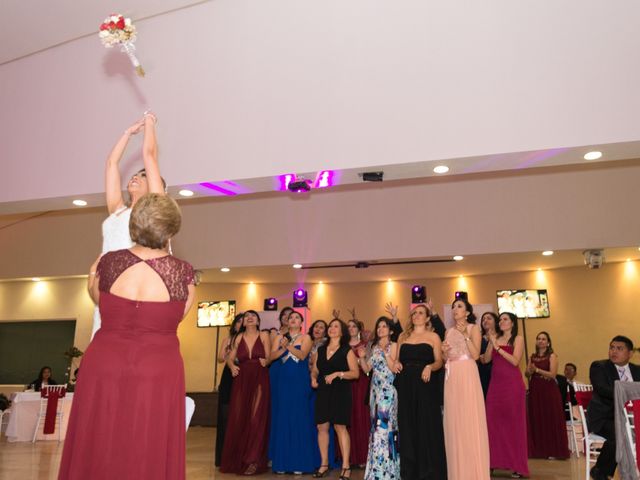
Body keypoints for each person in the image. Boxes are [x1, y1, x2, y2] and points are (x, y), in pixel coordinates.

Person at [59, 193, 196, 480]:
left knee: (98, 436)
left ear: (134, 224)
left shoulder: (108, 263)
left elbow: (100, 300)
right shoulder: (182, 272)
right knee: (149, 441)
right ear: (171, 228)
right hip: (157, 367)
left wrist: (89, 286)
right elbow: (178, 315)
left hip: (105, 361)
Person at [91, 112, 165, 339]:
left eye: (143, 176)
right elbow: (111, 163)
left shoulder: (154, 209)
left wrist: (150, 123)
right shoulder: (117, 209)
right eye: (134, 175)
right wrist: (128, 133)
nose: (135, 177)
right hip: (108, 283)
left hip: (137, 280)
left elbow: (149, 156)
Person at [395, 304, 447, 480]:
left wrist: (430, 367)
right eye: (414, 313)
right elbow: (396, 361)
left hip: (425, 384)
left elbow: (439, 361)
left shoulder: (433, 336)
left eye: (420, 313)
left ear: (427, 318)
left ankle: (429, 472)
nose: (416, 315)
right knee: (407, 426)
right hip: (405, 384)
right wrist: (396, 364)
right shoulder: (403, 336)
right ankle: (410, 472)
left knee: (426, 425)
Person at [442, 298, 489, 480]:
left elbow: (476, 354)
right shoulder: (448, 331)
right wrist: (444, 351)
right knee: (454, 422)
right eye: (453, 306)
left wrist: (465, 335)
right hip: (451, 375)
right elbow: (446, 356)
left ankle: (474, 472)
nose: (455, 309)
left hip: (467, 373)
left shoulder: (473, 328)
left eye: (459, 306)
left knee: (469, 419)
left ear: (467, 312)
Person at [220, 311, 271, 475]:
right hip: (242, 380)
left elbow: (269, 356)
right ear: (243, 322)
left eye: (253, 316)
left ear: (258, 320)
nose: (250, 318)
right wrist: (232, 366)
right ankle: (239, 458)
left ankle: (253, 460)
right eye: (247, 316)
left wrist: (266, 360)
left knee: (256, 419)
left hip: (259, 378)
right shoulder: (238, 337)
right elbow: (229, 357)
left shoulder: (263, 335)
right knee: (241, 418)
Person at [268, 311, 317, 474]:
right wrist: (282, 346)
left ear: (302, 322)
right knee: (283, 418)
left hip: (299, 381)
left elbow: (302, 355)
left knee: (298, 418)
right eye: (291, 318)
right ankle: (282, 462)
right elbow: (271, 356)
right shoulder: (278, 337)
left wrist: (287, 345)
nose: (293, 319)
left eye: (297, 317)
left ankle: (299, 462)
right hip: (283, 382)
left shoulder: (306, 338)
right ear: (287, 322)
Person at [311, 318, 360, 480]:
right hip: (324, 391)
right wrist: (313, 377)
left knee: (340, 427)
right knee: (322, 427)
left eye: (336, 326)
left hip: (340, 391)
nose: (332, 328)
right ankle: (324, 464)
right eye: (330, 326)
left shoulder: (347, 350)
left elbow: (355, 373)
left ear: (342, 331)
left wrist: (338, 374)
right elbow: (316, 370)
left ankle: (346, 466)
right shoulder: (321, 350)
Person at [587, 335, 640, 480]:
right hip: (604, 417)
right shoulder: (599, 367)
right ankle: (600, 471)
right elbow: (603, 389)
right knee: (620, 433)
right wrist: (629, 393)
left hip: (633, 418)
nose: (614, 351)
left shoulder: (637, 371)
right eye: (612, 348)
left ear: (630, 353)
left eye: (619, 348)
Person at [484, 312, 529, 478]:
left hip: (512, 386)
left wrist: (497, 347)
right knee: (492, 424)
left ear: (512, 323)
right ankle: (491, 462)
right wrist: (491, 342)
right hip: (495, 386)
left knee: (514, 426)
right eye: (500, 319)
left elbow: (515, 360)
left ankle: (517, 465)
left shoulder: (517, 339)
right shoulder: (496, 338)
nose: (501, 321)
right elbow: (486, 360)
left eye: (505, 319)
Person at [359, 317, 400, 480]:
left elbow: (393, 367)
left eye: (384, 326)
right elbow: (367, 369)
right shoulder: (374, 347)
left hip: (388, 393)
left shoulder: (394, 345)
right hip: (375, 394)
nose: (381, 329)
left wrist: (385, 353)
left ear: (390, 330)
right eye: (379, 327)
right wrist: (362, 357)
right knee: (376, 431)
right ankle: (376, 469)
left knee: (385, 430)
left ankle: (389, 472)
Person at [525, 331, 570, 459]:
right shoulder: (532, 357)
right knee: (537, 418)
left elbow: (552, 375)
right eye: (538, 338)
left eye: (543, 339)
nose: (540, 341)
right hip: (535, 390)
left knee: (550, 418)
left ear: (548, 342)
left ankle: (554, 451)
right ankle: (539, 451)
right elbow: (527, 374)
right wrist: (529, 370)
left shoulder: (552, 356)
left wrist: (537, 370)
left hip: (548, 391)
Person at [214, 313, 244, 467]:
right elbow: (219, 358)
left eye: (243, 321)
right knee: (226, 414)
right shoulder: (227, 339)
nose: (241, 323)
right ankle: (224, 455)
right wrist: (226, 352)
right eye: (238, 321)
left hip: (244, 375)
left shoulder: (249, 339)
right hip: (228, 376)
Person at [347, 319, 370, 468]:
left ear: (359, 329)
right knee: (348, 418)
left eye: (354, 326)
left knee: (362, 417)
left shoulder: (366, 346)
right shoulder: (343, 346)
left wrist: (359, 358)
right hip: (346, 383)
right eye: (348, 326)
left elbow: (368, 369)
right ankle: (349, 458)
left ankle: (363, 457)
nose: (351, 329)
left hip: (361, 382)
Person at [478, 312, 498, 398]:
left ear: (496, 322)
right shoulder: (478, 337)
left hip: (498, 372)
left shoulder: (501, 337)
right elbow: (476, 356)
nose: (485, 321)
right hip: (482, 373)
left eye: (489, 318)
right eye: (483, 319)